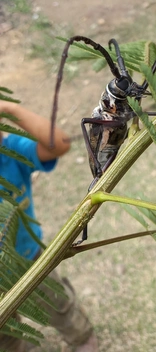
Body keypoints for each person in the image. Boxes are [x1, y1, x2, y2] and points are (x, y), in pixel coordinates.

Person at [0, 100, 98, 352]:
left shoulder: (10, 152)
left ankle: (82, 338)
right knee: (5, 334)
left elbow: (59, 144)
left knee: (58, 305)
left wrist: (11, 110)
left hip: (30, 259)